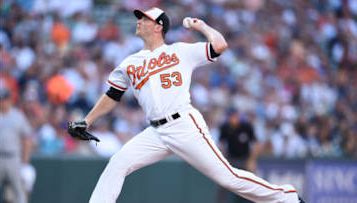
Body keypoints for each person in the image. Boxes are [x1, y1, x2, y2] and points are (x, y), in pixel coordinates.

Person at [68, 7, 301, 203]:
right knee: (118, 163)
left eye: (144, 18)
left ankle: (286, 197)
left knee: (228, 177)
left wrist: (201, 26)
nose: (138, 21)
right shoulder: (130, 63)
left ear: (158, 26)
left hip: (184, 125)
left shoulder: (180, 51)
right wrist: (87, 121)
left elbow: (219, 46)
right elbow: (112, 95)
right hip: (156, 132)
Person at [217, 109, 262, 203]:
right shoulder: (225, 127)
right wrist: (223, 159)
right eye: (231, 117)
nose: (233, 119)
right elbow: (221, 144)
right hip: (231, 158)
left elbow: (257, 144)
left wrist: (252, 160)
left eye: (235, 116)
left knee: (251, 183)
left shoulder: (246, 126)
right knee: (222, 181)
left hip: (245, 159)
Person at [0, 87, 33, 203]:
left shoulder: (18, 116)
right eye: (0, 99)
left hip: (14, 157)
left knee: (19, 191)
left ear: (9, 100)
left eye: (4, 99)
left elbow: (27, 138)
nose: (2, 102)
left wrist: (25, 159)